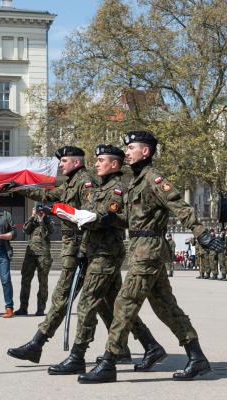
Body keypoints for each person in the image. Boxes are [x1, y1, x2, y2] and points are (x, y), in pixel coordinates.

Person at [78, 130, 224, 384]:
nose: (127, 152)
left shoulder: (153, 179)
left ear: (145, 151)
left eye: (131, 147)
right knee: (166, 308)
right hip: (140, 248)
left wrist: (200, 233)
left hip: (149, 251)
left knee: (124, 303)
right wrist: (109, 219)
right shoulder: (135, 181)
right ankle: (197, 358)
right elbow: (136, 219)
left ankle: (109, 361)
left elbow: (179, 205)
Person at [47, 144, 162, 376]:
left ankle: (78, 356)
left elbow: (113, 218)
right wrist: (77, 226)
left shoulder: (119, 188)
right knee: (118, 306)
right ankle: (151, 346)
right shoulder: (101, 187)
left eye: (101, 160)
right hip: (93, 250)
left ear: (114, 164)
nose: (96, 164)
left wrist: (93, 218)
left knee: (87, 302)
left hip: (106, 254)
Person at [5, 146, 97, 364]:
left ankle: (37, 344)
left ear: (76, 162)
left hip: (78, 244)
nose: (60, 165)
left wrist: (83, 245)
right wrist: (19, 189)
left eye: (64, 161)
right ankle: (144, 345)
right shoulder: (69, 182)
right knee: (109, 302)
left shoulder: (85, 182)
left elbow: (89, 215)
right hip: (72, 243)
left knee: (61, 297)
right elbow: (46, 193)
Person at [14, 204, 54, 316]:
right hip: (30, 254)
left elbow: (49, 232)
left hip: (44, 254)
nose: (40, 212)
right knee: (25, 281)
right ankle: (23, 307)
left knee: (43, 282)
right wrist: (32, 217)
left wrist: (42, 220)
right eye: (38, 210)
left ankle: (40, 309)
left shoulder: (47, 220)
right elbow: (25, 230)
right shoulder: (32, 220)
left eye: (41, 210)